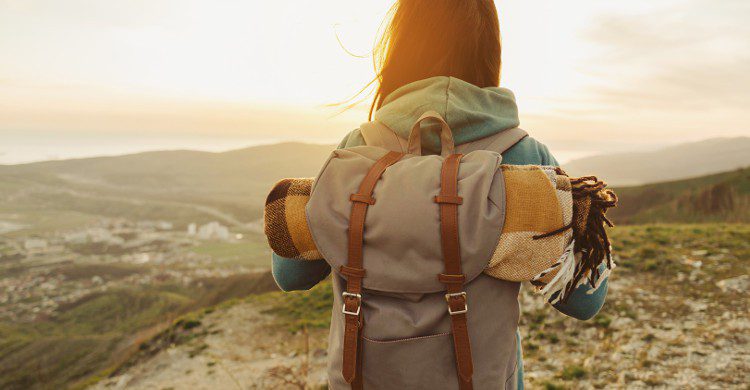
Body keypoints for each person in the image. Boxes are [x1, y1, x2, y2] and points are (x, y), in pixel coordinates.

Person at [271, 1, 609, 388]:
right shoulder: (525, 157)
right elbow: (585, 300)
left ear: (399, 48)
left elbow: (290, 273)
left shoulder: (357, 151)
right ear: (489, 51)